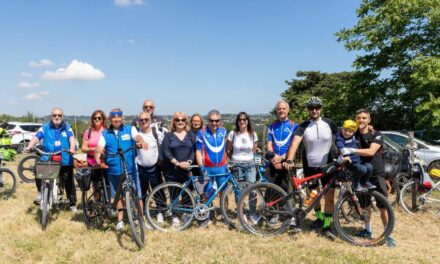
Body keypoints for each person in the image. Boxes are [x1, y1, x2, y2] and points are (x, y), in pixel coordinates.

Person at [284, 97, 338, 240]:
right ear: (308, 110)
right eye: (311, 108)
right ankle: (319, 218)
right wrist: (289, 159)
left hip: (328, 165)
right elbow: (295, 143)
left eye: (317, 107)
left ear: (321, 108)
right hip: (310, 166)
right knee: (314, 196)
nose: (314, 110)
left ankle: (327, 226)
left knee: (330, 197)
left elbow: (342, 137)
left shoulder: (329, 123)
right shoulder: (303, 126)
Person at [345, 108, 396, 246]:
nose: (361, 120)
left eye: (364, 118)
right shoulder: (353, 134)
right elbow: (340, 135)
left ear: (369, 119)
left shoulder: (376, 134)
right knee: (364, 204)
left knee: (383, 206)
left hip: (376, 173)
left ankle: (387, 233)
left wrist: (352, 150)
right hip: (361, 174)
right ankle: (367, 230)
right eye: (358, 118)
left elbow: (371, 151)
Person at [95, 108, 147, 231]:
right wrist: (97, 153)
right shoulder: (105, 133)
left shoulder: (130, 129)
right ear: (110, 119)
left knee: (138, 195)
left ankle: (140, 219)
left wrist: (141, 141)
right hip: (114, 170)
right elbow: (99, 146)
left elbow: (137, 137)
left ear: (122, 118)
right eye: (114, 118)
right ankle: (120, 221)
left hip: (130, 169)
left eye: (118, 117)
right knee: (117, 196)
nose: (116, 120)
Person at [25, 108, 78, 213]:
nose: (57, 117)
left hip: (65, 158)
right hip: (48, 157)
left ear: (62, 117)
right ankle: (41, 192)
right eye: (54, 115)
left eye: (59, 115)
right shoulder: (45, 127)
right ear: (51, 116)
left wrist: (72, 148)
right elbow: (36, 137)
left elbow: (71, 138)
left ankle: (72, 204)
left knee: (68, 182)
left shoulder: (67, 127)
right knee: (38, 169)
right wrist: (30, 146)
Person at [160, 112, 196, 227]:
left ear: (186, 122)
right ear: (174, 122)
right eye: (177, 120)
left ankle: (186, 213)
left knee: (187, 193)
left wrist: (189, 162)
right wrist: (177, 163)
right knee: (174, 193)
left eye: (183, 120)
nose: (180, 122)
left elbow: (195, 151)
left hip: (187, 169)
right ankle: (175, 215)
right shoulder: (169, 136)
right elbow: (166, 152)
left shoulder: (191, 135)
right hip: (172, 170)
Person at [195, 109, 228, 226]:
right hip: (208, 168)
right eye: (212, 120)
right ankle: (206, 217)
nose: (214, 123)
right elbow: (198, 151)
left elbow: (226, 149)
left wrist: (227, 162)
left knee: (223, 193)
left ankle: (225, 215)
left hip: (221, 168)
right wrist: (201, 167)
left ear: (220, 121)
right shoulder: (202, 133)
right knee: (207, 193)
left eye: (217, 121)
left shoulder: (224, 131)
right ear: (207, 120)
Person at [134, 111, 163, 227]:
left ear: (150, 120)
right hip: (140, 168)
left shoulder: (156, 133)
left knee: (158, 191)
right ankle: (143, 214)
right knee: (142, 193)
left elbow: (162, 147)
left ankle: (160, 211)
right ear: (138, 121)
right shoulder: (136, 135)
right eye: (141, 120)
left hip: (154, 168)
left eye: (146, 119)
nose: (144, 122)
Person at [266, 100, 298, 191]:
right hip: (273, 162)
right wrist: (274, 160)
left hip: (286, 163)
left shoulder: (294, 126)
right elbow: (269, 145)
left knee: (286, 194)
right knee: (271, 194)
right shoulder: (272, 126)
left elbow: (294, 145)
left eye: (284, 108)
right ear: (276, 111)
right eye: (279, 109)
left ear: (288, 111)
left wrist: (282, 158)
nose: (281, 110)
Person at [336, 119, 375, 191]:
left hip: (358, 159)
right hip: (349, 162)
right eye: (345, 130)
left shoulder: (353, 135)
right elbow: (341, 147)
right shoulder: (340, 138)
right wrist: (346, 156)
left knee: (369, 167)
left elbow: (361, 128)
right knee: (362, 169)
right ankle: (356, 183)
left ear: (353, 132)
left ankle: (364, 182)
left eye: (350, 131)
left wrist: (368, 126)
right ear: (342, 129)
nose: (347, 133)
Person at [226, 112, 258, 182]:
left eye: (244, 119)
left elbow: (254, 150)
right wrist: (233, 158)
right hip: (236, 165)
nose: (242, 121)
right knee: (239, 188)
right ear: (237, 122)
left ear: (247, 121)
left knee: (251, 188)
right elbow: (227, 149)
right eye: (240, 120)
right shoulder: (232, 133)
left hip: (250, 165)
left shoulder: (253, 134)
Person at [81, 110, 107, 188]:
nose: (97, 119)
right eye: (95, 118)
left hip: (105, 160)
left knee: (107, 183)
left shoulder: (107, 131)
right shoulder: (88, 132)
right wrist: (94, 149)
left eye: (99, 118)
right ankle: (97, 198)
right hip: (92, 161)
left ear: (103, 119)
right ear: (92, 119)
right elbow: (83, 148)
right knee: (95, 184)